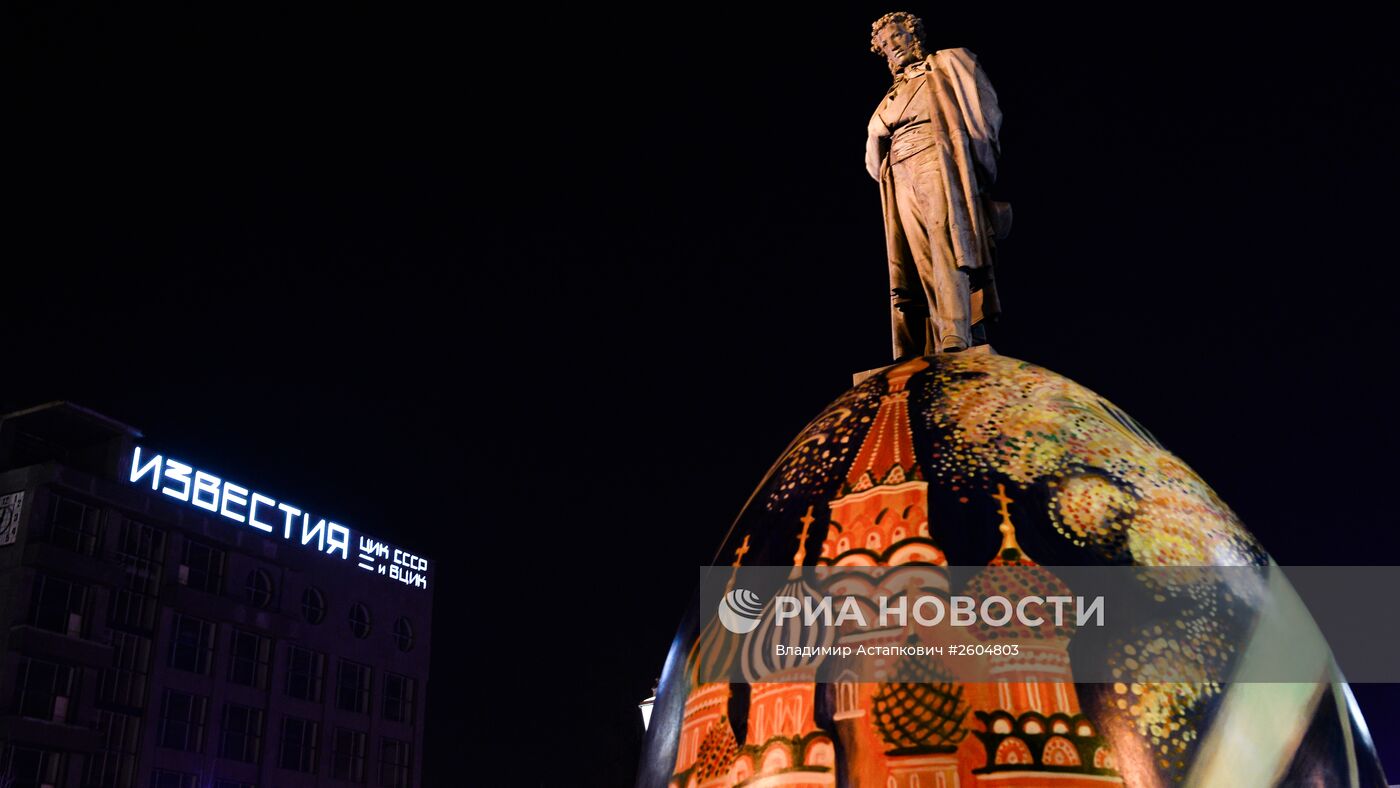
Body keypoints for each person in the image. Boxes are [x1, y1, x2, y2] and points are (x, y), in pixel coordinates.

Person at [866, 11, 1009, 357]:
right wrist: (874, 134)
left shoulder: (946, 65)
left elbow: (985, 113)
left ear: (914, 36)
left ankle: (955, 331)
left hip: (935, 155)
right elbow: (873, 160)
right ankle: (932, 333)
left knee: (945, 238)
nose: (892, 48)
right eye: (885, 45)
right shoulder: (889, 97)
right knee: (916, 257)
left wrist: (972, 165)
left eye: (897, 37)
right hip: (899, 169)